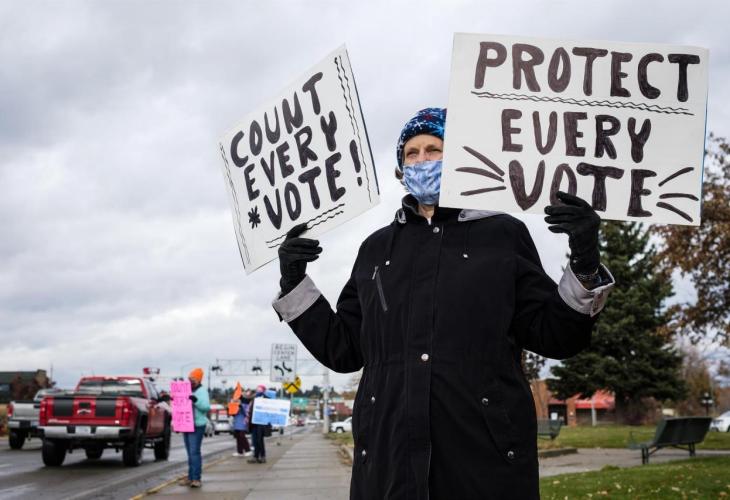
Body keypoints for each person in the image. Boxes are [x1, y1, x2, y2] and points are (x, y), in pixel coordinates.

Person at [272, 108, 615, 499]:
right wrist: (293, 282)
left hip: (483, 463)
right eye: (411, 153)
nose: (422, 161)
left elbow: (555, 335)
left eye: (434, 150)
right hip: (387, 465)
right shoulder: (376, 250)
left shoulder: (502, 235)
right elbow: (344, 348)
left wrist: (585, 262)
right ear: (401, 168)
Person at [179, 368, 210, 488]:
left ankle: (196, 478)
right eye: (189, 378)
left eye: (193, 378)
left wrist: (195, 400)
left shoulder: (202, 391)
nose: (191, 380)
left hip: (197, 425)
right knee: (189, 453)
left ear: (199, 379)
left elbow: (206, 407)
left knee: (194, 452)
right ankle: (191, 477)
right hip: (186, 424)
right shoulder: (187, 390)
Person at [247, 384, 268, 464]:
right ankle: (256, 456)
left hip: (261, 423)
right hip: (254, 422)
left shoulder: (265, 398)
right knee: (255, 441)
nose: (258, 390)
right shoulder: (254, 398)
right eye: (257, 389)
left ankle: (262, 456)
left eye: (259, 389)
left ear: (263, 390)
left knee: (260, 440)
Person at [231, 391, 252, 457]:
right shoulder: (235, 404)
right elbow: (232, 414)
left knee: (242, 436)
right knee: (238, 437)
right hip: (236, 422)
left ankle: (248, 450)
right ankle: (240, 451)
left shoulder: (245, 404)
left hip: (243, 422)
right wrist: (230, 407)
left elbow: (246, 413)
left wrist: (240, 406)